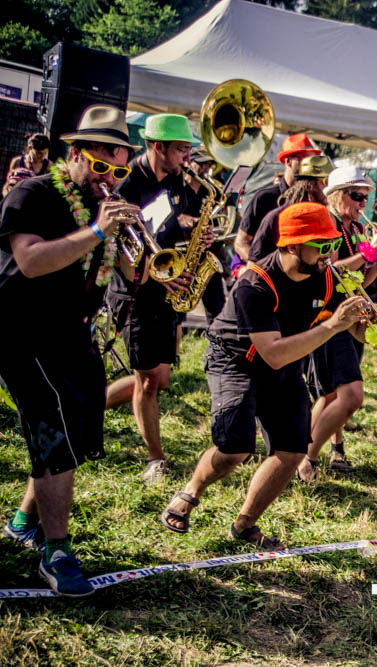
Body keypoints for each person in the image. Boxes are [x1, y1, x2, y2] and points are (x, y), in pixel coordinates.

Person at [159, 202, 366, 549]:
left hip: (285, 365)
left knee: (293, 448)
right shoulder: (253, 284)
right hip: (236, 360)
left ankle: (245, 524)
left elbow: (353, 332)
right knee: (234, 449)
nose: (329, 254)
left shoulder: (327, 277)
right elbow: (273, 352)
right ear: (290, 245)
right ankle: (191, 490)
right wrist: (332, 325)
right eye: (321, 245)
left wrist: (364, 325)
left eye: (332, 245)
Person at [0, 105, 141, 595]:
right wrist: (98, 231)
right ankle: (56, 550)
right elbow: (31, 260)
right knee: (54, 426)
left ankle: (21, 522)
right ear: (74, 153)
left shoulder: (107, 209)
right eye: (102, 164)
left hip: (71, 333)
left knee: (78, 424)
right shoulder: (33, 192)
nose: (111, 177)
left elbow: (128, 274)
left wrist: (153, 263)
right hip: (21, 329)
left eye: (120, 169)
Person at [103, 114, 203, 486]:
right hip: (133, 291)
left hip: (166, 288)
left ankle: (87, 406)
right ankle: (155, 458)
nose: (185, 158)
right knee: (147, 381)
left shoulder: (178, 181)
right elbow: (114, 247)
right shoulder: (125, 182)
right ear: (157, 146)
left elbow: (174, 224)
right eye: (181, 149)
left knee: (158, 379)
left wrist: (195, 234)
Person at [296, 166, 377, 481]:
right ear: (337, 195)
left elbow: (359, 280)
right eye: (356, 197)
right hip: (327, 316)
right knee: (347, 396)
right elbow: (331, 270)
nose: (362, 205)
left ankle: (301, 456)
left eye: (365, 198)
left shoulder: (354, 229)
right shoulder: (328, 225)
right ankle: (306, 457)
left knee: (330, 397)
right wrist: (369, 251)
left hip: (349, 316)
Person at [233, 133, 322, 265]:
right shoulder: (264, 198)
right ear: (288, 161)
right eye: (304, 160)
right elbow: (241, 242)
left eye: (311, 161)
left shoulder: (313, 200)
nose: (309, 166)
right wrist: (262, 269)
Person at [247, 155, 333, 262]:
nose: (330, 188)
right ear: (310, 184)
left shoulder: (324, 218)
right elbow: (254, 265)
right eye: (326, 181)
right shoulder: (275, 218)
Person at [184, 145, 228, 328]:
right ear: (189, 163)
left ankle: (216, 347)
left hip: (208, 253)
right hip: (184, 254)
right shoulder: (179, 188)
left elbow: (223, 214)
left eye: (208, 165)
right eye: (200, 164)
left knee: (217, 308)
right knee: (177, 312)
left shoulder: (210, 190)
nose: (204, 169)